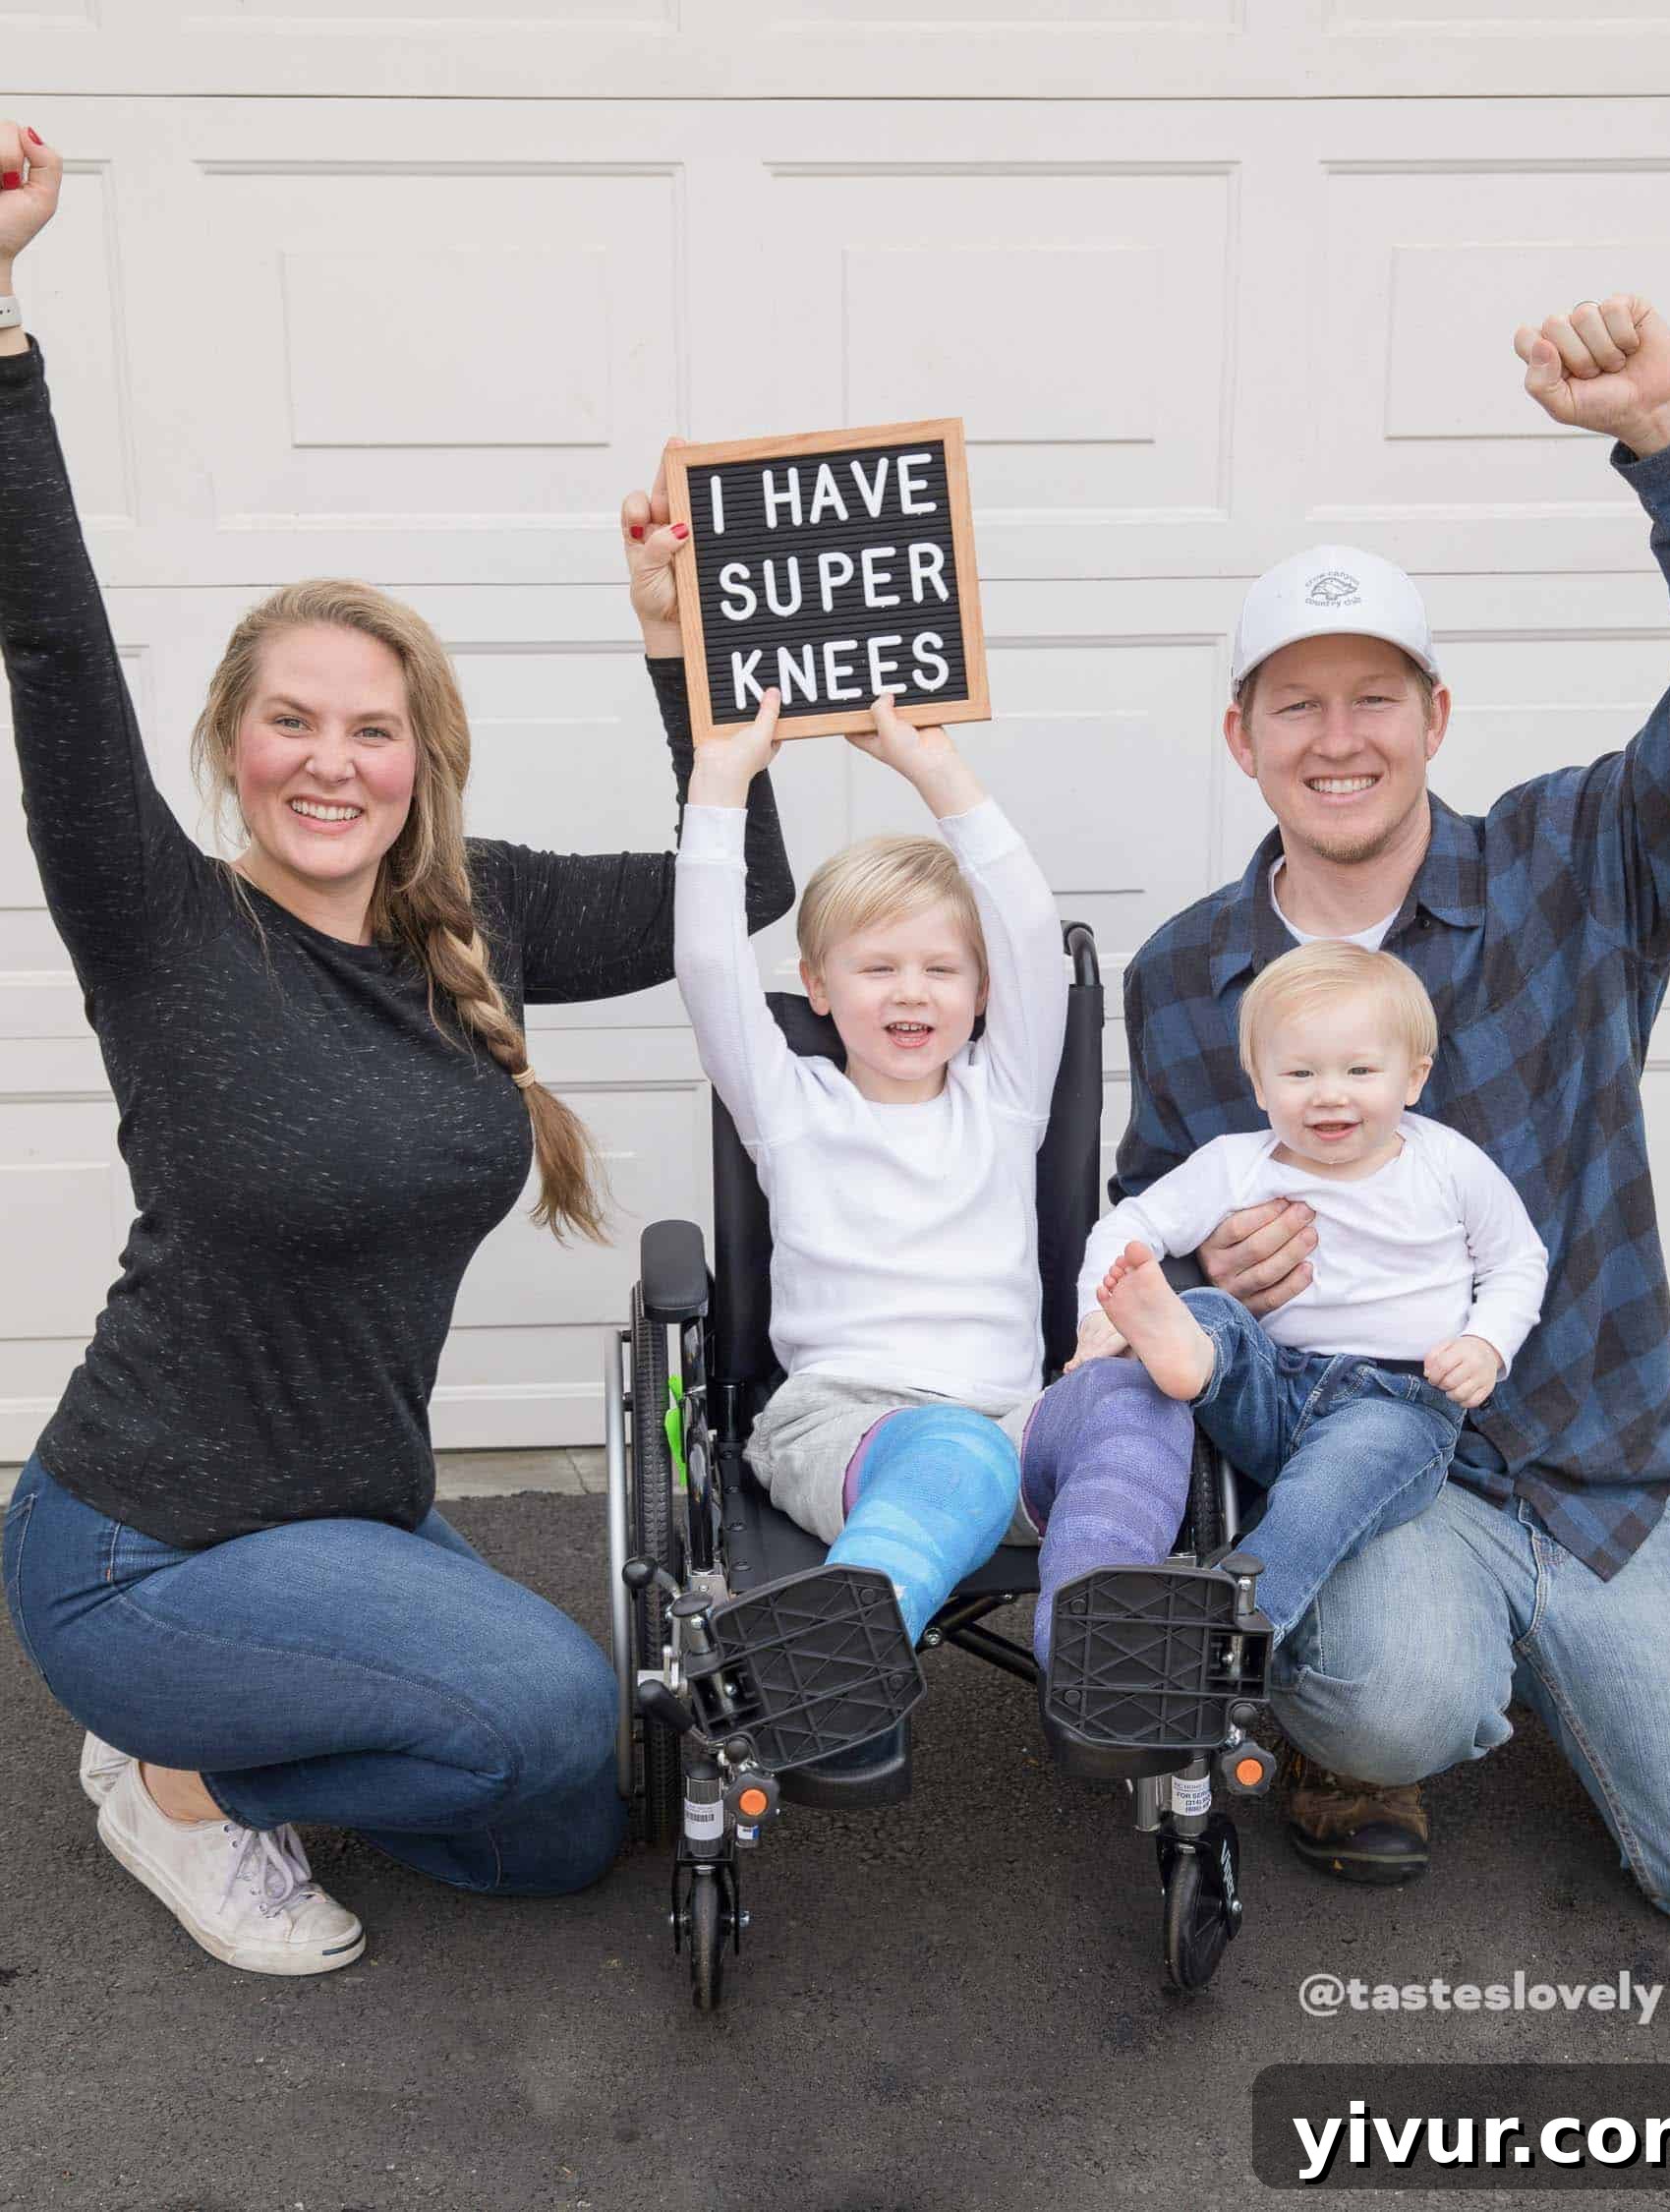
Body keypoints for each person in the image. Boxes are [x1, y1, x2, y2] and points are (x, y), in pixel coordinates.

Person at [0, 123, 792, 1975]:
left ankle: (233, 1730)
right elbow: (52, 648)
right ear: (233, 742)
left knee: (568, 1829)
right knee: (543, 1713)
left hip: (342, 1515)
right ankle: (178, 1780)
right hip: (139, 1546)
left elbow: (742, 882)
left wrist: (675, 653)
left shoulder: (481, 910)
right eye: (291, 721)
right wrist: (5, 330)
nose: (330, 762)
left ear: (420, 755)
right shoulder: (165, 922)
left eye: (372, 729)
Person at [1113, 288, 1670, 1935]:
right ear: (1242, 738)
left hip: (1586, 1471)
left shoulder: (1580, 866)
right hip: (1364, 1463)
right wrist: (1213, 1277)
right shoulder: (1186, 972)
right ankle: (1373, 1720)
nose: (1339, 739)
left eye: (1376, 697)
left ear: (1436, 717)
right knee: (1388, 1692)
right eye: (1297, 704)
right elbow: (1152, 1228)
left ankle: (1596, 1664)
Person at [670, 692, 1206, 1743]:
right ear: (818, 987)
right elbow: (708, 966)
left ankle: (1099, 1646)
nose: (910, 992)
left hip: (1012, 1421)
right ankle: (827, 1666)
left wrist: (937, 771)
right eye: (877, 968)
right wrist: (721, 784)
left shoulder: (1002, 1100)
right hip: (844, 1423)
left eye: (939, 969)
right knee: (955, 1454)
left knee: (1138, 1403)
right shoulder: (787, 1107)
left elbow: (1028, 928)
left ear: (984, 991)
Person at [1068, 940, 1547, 1648]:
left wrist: (1486, 1343)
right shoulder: (1236, 1165)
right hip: (1270, 1384)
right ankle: (1189, 1357)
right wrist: (1096, 1316)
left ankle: (1232, 1626)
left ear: (1413, 1078)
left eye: (1360, 1070)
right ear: (1260, 1085)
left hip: (1395, 1404)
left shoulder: (1445, 1163)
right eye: (1299, 1073)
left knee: (1321, 1499)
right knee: (1207, 1310)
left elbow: (1517, 1261)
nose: (1328, 1093)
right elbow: (1128, 1226)